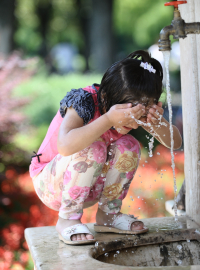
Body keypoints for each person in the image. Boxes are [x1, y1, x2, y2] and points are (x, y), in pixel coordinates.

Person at [29, 50, 182, 245]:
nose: (135, 125)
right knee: (95, 148)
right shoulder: (84, 101)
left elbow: (175, 143)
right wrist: (108, 118)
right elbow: (65, 147)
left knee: (129, 145)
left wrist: (154, 122)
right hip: (51, 184)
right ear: (107, 98)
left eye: (139, 118)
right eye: (132, 117)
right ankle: (67, 219)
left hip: (89, 188)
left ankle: (108, 215)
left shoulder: (132, 103)